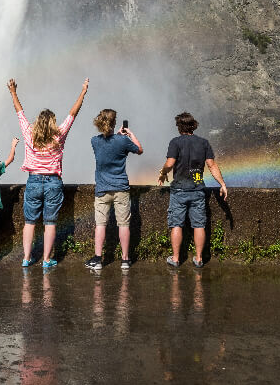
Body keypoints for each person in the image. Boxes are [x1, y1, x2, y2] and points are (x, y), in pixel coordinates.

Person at [8, 77, 89, 268]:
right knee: (50, 222)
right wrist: (83, 91)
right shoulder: (59, 135)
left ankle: (26, 258)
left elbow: (19, 112)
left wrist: (13, 92)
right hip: (53, 182)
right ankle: (46, 260)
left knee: (29, 222)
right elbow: (72, 114)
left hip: (34, 181)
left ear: (38, 122)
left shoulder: (29, 133)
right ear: (52, 123)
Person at [157, 111, 227, 268]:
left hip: (180, 188)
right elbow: (211, 165)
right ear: (193, 125)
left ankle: (175, 259)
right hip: (197, 187)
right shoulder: (203, 143)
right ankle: (199, 258)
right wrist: (222, 184)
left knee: (176, 224)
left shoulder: (175, 142)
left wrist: (162, 173)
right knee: (199, 224)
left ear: (179, 126)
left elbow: (170, 163)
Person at [85, 109, 143, 271]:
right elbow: (139, 149)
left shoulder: (94, 141)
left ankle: (98, 259)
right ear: (114, 122)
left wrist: (117, 136)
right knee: (124, 224)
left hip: (102, 189)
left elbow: (108, 144)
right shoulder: (122, 141)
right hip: (121, 189)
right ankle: (125, 260)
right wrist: (129, 134)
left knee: (100, 225)